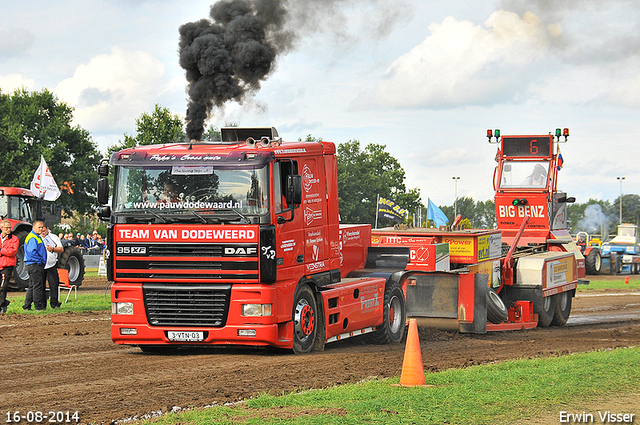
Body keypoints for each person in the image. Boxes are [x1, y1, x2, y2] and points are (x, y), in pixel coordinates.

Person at [22, 220, 48, 311]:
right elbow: (31, 252)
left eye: (42, 227)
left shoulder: (35, 236)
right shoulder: (33, 238)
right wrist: (40, 260)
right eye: (39, 227)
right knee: (38, 286)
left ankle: (27, 306)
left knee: (32, 286)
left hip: (31, 264)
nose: (41, 229)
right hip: (35, 264)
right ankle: (38, 307)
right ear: (34, 227)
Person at [0, 220, 19, 315]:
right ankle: (4, 303)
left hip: (7, 265)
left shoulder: (14, 239)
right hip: (0, 264)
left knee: (3, 287)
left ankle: (1, 306)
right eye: (7, 228)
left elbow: (12, 251)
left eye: (10, 228)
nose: (9, 229)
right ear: (1, 228)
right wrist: (4, 251)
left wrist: (1, 251)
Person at [42, 224, 63, 309]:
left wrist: (53, 249)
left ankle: (54, 303)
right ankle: (42, 304)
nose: (42, 232)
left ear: (47, 228)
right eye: (41, 230)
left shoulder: (53, 237)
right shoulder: (38, 237)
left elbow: (61, 249)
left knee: (54, 284)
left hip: (52, 264)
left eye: (44, 229)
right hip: (41, 265)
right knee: (41, 285)